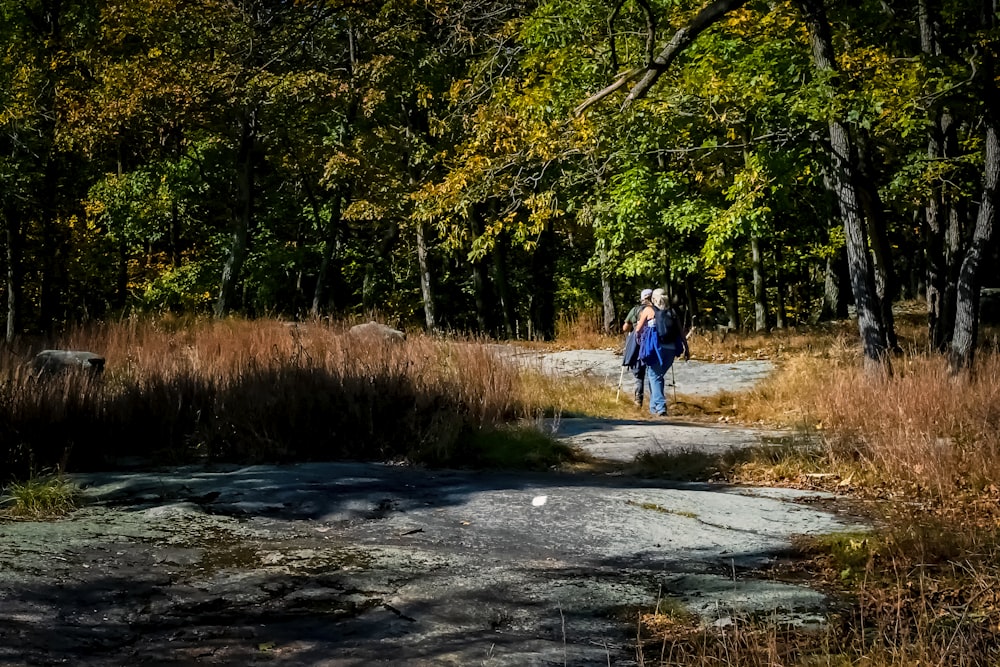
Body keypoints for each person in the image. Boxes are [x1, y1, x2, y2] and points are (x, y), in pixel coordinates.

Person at [635, 288, 690, 417]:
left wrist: (639, 339)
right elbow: (681, 332)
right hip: (671, 350)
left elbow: (638, 329)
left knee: (655, 376)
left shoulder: (648, 310)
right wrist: (686, 348)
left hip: (655, 348)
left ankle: (660, 407)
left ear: (653, 299)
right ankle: (653, 409)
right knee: (656, 376)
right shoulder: (672, 312)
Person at [622, 288, 653, 408]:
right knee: (652, 373)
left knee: (639, 374)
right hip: (652, 343)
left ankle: (638, 400)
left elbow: (625, 328)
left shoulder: (635, 310)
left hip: (638, 344)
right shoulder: (656, 310)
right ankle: (654, 401)